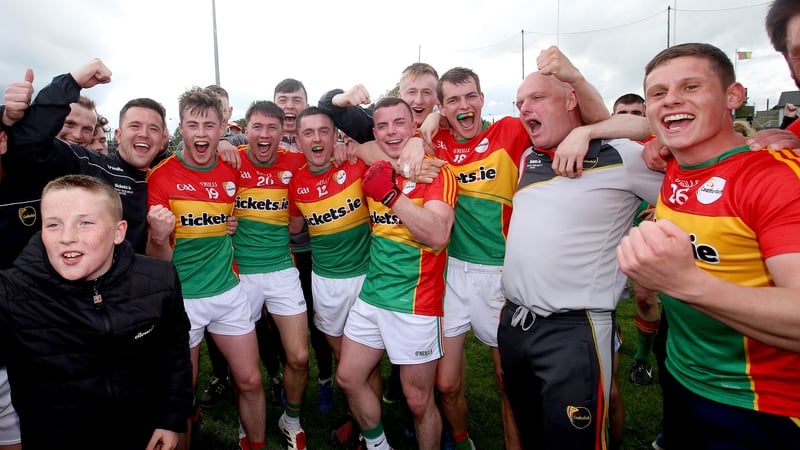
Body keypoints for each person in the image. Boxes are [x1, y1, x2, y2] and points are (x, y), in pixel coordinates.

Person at [618, 41, 800, 450]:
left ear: (733, 96)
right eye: (658, 93)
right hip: (683, 376)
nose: (672, 101)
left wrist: (684, 282)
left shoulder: (775, 177)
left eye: (691, 87)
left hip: (760, 404)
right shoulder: (673, 162)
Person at [499, 68, 663, 449]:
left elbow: (656, 126)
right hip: (517, 322)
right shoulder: (528, 154)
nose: (525, 108)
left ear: (571, 100)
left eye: (536, 98)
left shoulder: (623, 155)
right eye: (519, 102)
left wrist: (588, 131)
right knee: (531, 431)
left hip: (574, 330)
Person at [0, 174, 193, 450]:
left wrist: (171, 420)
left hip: (142, 434)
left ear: (119, 231)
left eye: (85, 223)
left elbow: (174, 354)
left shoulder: (159, 280)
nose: (67, 237)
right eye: (53, 224)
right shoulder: (13, 294)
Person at [146, 87, 266, 450]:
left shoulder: (233, 165)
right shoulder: (161, 177)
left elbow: (238, 209)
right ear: (180, 127)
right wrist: (157, 237)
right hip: (182, 299)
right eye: (192, 124)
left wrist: (229, 222)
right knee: (183, 393)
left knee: (250, 381)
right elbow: (156, 262)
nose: (201, 133)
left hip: (228, 292)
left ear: (222, 128)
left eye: (209, 125)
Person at [336, 97, 458, 450]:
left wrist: (390, 195)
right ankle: (378, 445)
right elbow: (342, 137)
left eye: (399, 123)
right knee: (348, 377)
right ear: (375, 132)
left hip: (416, 301)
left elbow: (437, 234)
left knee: (418, 400)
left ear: (413, 127)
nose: (392, 132)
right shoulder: (376, 164)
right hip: (373, 294)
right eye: (383, 125)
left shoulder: (438, 171)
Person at [1, 59, 170, 255]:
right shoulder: (94, 167)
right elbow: (30, 145)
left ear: (163, 139)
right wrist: (72, 82)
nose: (144, 134)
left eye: (153, 129)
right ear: (118, 134)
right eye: (135, 126)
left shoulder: (167, 177)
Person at [230, 99, 311, 450]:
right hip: (237, 275)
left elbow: (341, 153)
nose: (264, 134)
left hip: (281, 269)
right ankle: (245, 417)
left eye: (272, 128)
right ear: (245, 131)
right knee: (243, 365)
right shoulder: (229, 159)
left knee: (299, 357)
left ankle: (290, 419)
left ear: (283, 132)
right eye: (257, 127)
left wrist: (344, 144)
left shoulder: (296, 161)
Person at [274, 78, 336, 415]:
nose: (288, 106)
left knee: (318, 320)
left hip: (318, 251)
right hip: (280, 254)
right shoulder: (260, 145)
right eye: (282, 100)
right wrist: (225, 143)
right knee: (280, 321)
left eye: (296, 100)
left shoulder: (321, 143)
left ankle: (326, 379)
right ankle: (285, 377)